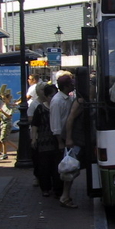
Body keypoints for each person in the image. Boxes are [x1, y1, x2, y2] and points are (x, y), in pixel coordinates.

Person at [50, 74, 76, 208]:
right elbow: (55, 125)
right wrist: (60, 141)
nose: (73, 85)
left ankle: (64, 194)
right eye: (71, 84)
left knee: (69, 166)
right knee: (65, 167)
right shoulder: (57, 101)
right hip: (62, 139)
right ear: (66, 86)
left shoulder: (68, 98)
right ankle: (61, 194)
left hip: (66, 138)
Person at [31, 84, 61, 197]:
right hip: (44, 141)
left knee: (56, 166)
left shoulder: (57, 106)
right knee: (44, 166)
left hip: (56, 140)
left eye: (54, 96)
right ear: (46, 96)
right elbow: (35, 125)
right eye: (50, 96)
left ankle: (57, 188)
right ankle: (46, 188)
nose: (52, 99)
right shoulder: (40, 108)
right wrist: (34, 139)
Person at [0, 93, 16, 161]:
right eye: (2, 99)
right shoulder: (3, 106)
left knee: (3, 139)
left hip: (7, 123)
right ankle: (5, 153)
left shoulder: (10, 107)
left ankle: (6, 153)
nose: (3, 100)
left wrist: (3, 112)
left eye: (4, 99)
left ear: (8, 99)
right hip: (2, 123)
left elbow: (9, 116)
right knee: (3, 139)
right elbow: (0, 114)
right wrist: (0, 114)